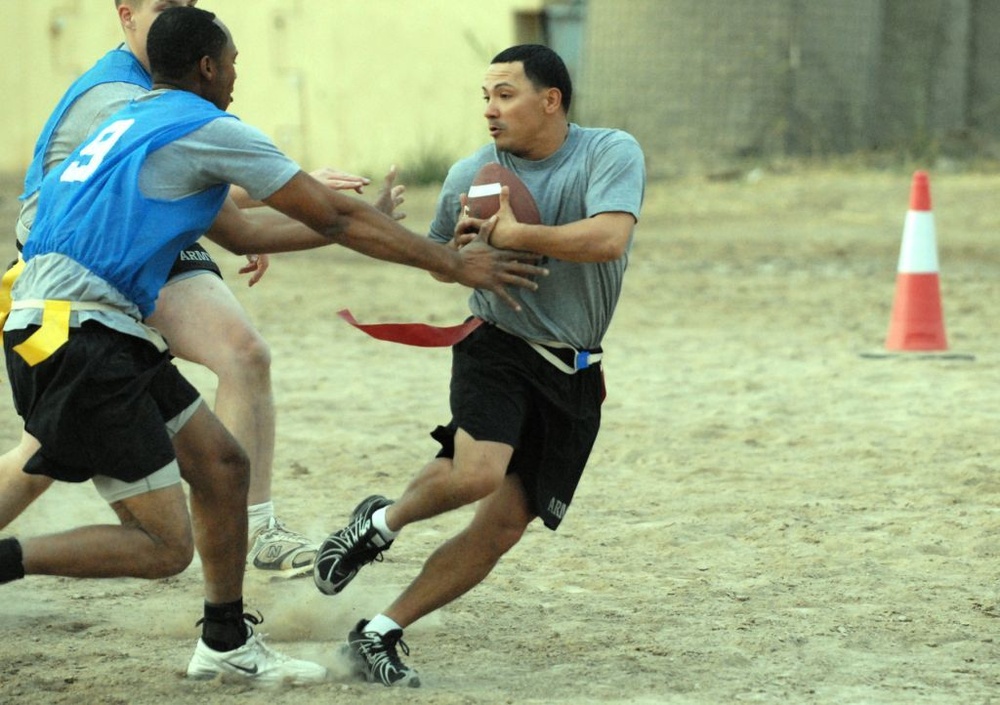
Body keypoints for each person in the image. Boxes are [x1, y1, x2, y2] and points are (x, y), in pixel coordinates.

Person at [0, 6, 543, 684]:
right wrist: (448, 261)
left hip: (67, 328)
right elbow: (330, 212)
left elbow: (244, 232)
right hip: (82, 336)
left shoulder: (130, 123)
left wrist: (368, 222)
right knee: (165, 546)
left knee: (223, 466)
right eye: (232, 64)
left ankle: (225, 641)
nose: (235, 78)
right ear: (206, 66)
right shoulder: (208, 126)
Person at [0, 0, 399, 576]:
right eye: (164, 5)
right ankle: (254, 530)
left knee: (46, 451)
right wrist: (271, 198)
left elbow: (189, 187)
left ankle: (241, 559)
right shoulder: (111, 96)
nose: (176, 13)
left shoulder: (162, 81)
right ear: (126, 14)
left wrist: (249, 214)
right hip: (79, 262)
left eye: (185, 4)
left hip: (107, 254)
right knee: (241, 352)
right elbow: (166, 188)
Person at [312, 44, 646, 687]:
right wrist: (448, 251)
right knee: (475, 473)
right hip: (496, 343)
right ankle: (379, 525)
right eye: (485, 97)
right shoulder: (471, 172)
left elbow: (609, 238)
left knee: (500, 529)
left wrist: (515, 236)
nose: (489, 110)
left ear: (551, 100)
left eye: (505, 95)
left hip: (575, 370)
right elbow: (439, 257)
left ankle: (377, 632)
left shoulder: (610, 152)